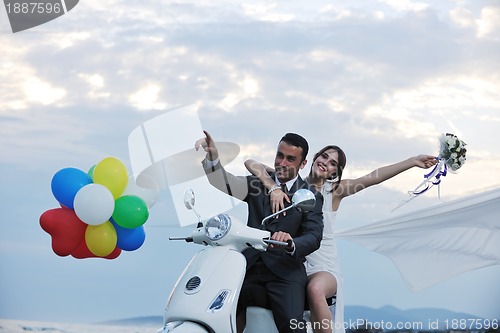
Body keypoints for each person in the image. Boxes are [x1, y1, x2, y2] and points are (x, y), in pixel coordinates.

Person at [245, 146, 438, 333]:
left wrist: (412, 161)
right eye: (324, 156)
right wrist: (272, 187)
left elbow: (374, 177)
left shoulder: (335, 192)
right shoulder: (293, 184)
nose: (325, 163)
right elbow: (252, 163)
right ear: (313, 158)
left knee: (315, 289)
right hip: (294, 263)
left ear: (333, 173)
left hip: (322, 267)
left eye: (332, 164)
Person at [195, 130, 324, 333]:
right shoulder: (258, 183)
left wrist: (291, 242)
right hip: (247, 267)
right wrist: (212, 157)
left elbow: (314, 236)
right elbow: (224, 181)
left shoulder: (309, 194)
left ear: (303, 164)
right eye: (280, 155)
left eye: (291, 159)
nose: (282, 162)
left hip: (284, 273)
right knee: (214, 317)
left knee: (293, 328)